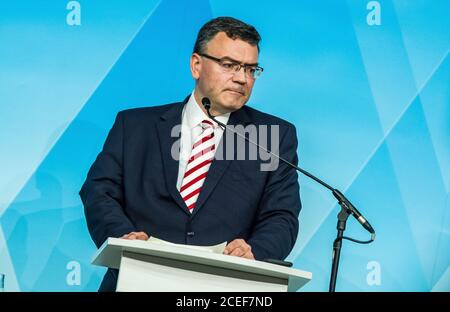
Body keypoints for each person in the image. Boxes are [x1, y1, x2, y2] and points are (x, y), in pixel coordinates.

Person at [79, 16, 301, 291]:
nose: (242, 78)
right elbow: (99, 190)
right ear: (197, 65)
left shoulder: (272, 136)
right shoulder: (135, 127)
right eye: (230, 65)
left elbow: (282, 215)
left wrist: (254, 250)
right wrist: (123, 236)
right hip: (136, 277)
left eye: (251, 69)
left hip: (226, 286)